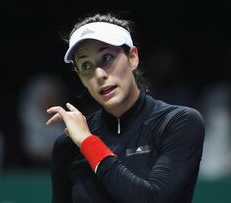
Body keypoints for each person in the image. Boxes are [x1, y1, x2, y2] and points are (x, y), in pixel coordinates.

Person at [46, 13, 205, 203]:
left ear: (132, 58)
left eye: (107, 58)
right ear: (79, 76)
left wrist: (88, 142)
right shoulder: (68, 146)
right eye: (86, 65)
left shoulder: (179, 123)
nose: (99, 74)